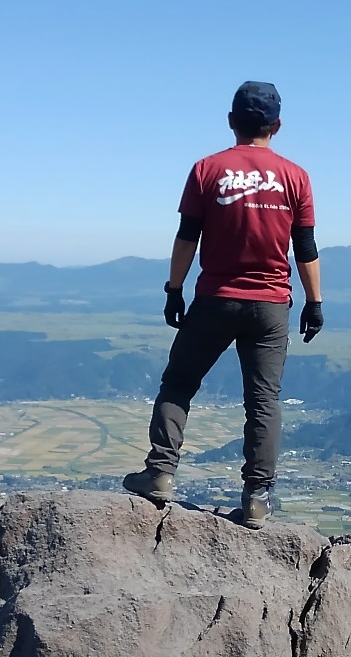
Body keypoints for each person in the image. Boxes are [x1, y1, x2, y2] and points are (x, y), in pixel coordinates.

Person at [122, 80, 323, 528]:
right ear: (278, 125)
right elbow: (305, 246)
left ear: (232, 121)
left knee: (179, 383)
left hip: (215, 298)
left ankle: (159, 473)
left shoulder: (206, 170)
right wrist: (314, 302)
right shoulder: (296, 177)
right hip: (272, 305)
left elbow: (187, 236)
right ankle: (257, 499)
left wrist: (174, 287)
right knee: (263, 401)